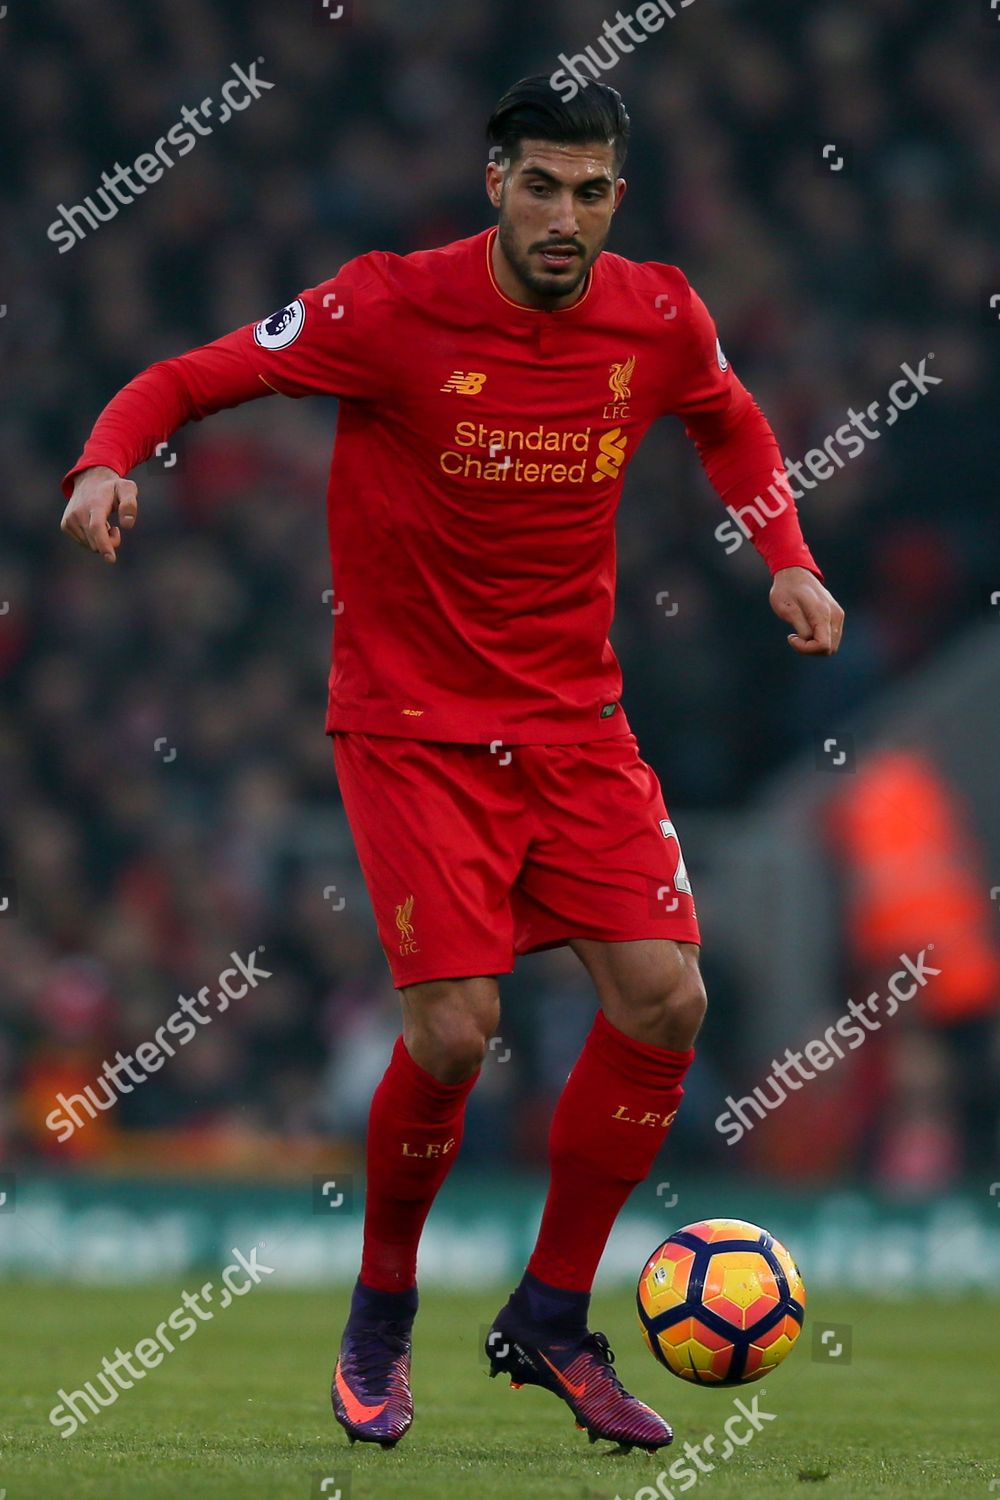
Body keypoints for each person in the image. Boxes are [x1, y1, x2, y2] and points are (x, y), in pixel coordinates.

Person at [60, 75, 844, 1454]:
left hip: (579, 727)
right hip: (414, 730)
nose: (564, 215)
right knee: (455, 1031)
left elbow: (728, 417)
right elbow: (191, 376)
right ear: (495, 184)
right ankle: (381, 1312)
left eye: (590, 189)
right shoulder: (386, 307)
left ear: (618, 196)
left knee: (668, 1000)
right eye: (540, 185)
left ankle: (549, 1317)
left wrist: (786, 556)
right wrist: (108, 460)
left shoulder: (657, 314)